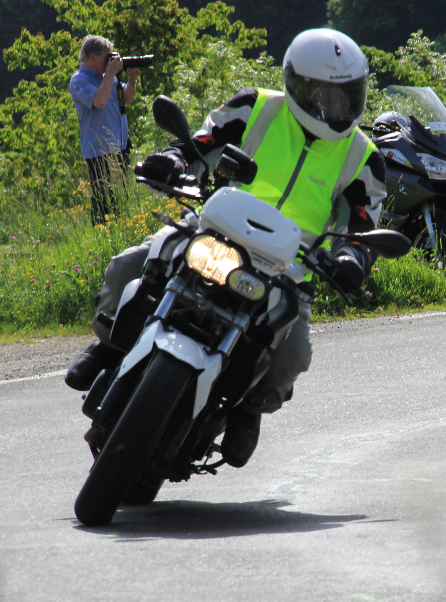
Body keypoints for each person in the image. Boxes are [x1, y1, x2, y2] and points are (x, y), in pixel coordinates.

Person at [66, 28, 387, 467]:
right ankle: (111, 345)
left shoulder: (363, 157)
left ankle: (245, 408)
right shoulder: (257, 107)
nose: (334, 108)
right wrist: (174, 159)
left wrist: (352, 257)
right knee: (130, 265)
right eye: (322, 96)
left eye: (346, 96)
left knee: (292, 356)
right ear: (296, 83)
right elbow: (203, 142)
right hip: (215, 229)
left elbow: (362, 223)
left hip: (287, 267)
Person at [69, 35, 140, 225]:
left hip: (119, 147)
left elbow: (127, 99)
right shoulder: (79, 80)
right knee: (103, 202)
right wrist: (109, 74)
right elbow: (99, 101)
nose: (111, 62)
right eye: (107, 58)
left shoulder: (108, 78)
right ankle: (101, 235)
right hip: (99, 151)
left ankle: (121, 232)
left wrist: (131, 80)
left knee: (122, 199)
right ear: (93, 57)